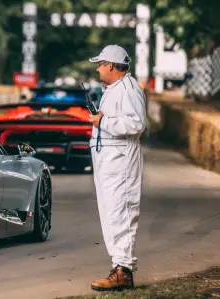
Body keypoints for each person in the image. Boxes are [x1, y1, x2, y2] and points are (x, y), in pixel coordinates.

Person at [87, 45, 147, 292]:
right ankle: (119, 267)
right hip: (111, 159)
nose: (98, 68)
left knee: (121, 212)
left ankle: (123, 270)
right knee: (111, 214)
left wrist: (103, 120)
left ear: (110, 65)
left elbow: (137, 123)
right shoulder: (115, 89)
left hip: (121, 160)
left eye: (100, 64)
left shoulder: (128, 88)